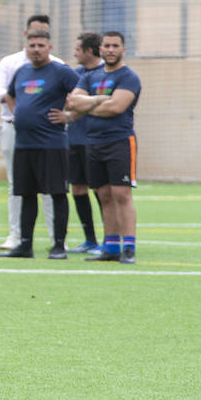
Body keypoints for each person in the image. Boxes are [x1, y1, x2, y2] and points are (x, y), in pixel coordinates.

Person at [0, 27, 78, 259]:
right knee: (26, 194)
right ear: (26, 47)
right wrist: (19, 114)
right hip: (24, 144)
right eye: (32, 45)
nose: (36, 50)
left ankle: (58, 245)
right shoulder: (22, 72)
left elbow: (83, 93)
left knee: (57, 194)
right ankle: (25, 245)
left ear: (49, 48)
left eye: (40, 45)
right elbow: (10, 95)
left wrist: (70, 116)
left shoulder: (61, 72)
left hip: (52, 144)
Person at [66, 30, 142, 264]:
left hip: (119, 141)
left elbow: (116, 108)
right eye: (107, 46)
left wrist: (89, 105)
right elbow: (72, 102)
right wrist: (101, 100)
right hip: (93, 142)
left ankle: (128, 247)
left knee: (121, 193)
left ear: (123, 49)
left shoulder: (128, 77)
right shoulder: (90, 77)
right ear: (100, 49)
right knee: (104, 194)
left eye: (115, 46)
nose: (110, 49)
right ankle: (111, 247)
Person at [0, 14, 60, 250]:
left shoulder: (59, 66)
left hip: (49, 134)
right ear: (25, 36)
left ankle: (56, 239)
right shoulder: (12, 64)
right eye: (33, 36)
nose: (37, 44)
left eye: (43, 36)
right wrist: (20, 113)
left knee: (52, 186)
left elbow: (74, 93)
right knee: (17, 184)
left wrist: (66, 115)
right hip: (14, 130)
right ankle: (16, 236)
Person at [51, 32, 103, 254]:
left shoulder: (106, 74)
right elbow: (71, 102)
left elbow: (96, 104)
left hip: (97, 140)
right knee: (78, 189)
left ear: (89, 51)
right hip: (74, 141)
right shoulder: (76, 74)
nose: (74, 53)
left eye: (77, 49)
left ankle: (111, 239)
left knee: (102, 190)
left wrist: (75, 111)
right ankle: (90, 240)